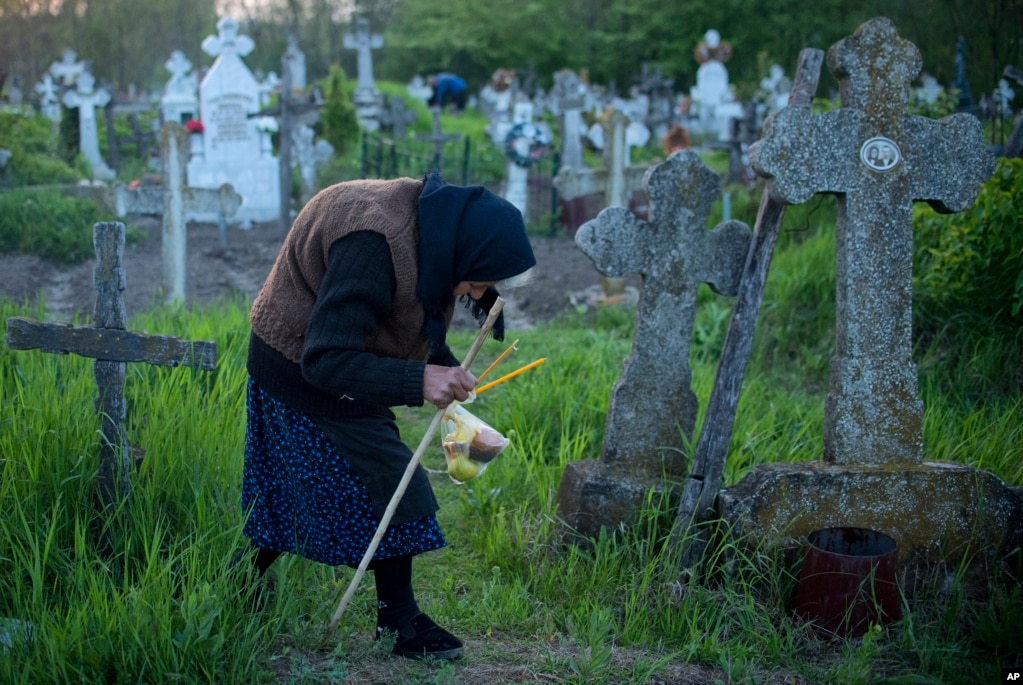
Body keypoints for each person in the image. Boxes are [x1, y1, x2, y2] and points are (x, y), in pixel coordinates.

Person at [238, 171, 536, 661]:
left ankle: (238, 581)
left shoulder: (438, 232)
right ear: (464, 250)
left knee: (294, 488)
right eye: (476, 281)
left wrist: (437, 363)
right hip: (295, 361)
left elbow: (410, 313)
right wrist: (419, 381)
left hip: (349, 355)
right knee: (393, 483)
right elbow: (327, 358)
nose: (472, 293)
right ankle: (400, 624)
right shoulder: (374, 242)